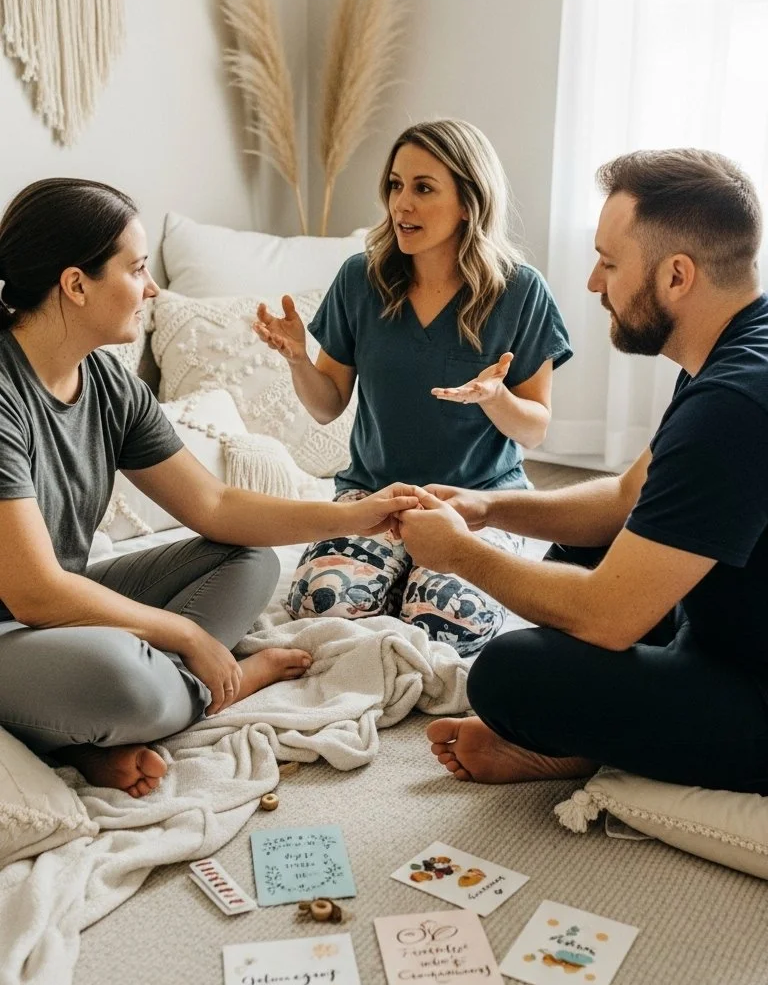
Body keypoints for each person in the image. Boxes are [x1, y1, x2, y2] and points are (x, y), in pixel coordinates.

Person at [0, 179, 419, 798]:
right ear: (75, 283)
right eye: (137, 269)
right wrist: (187, 635)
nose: (151, 288)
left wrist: (354, 518)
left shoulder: (110, 385)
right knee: (127, 682)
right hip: (21, 618)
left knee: (247, 558)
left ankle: (92, 729)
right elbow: (33, 592)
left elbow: (215, 506)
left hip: (62, 610)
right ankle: (207, 690)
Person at [392, 148, 768, 796]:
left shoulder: (734, 403)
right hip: (730, 622)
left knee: (508, 673)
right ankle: (597, 737)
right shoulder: (733, 350)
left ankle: (584, 746)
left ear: (677, 275)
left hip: (753, 689)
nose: (595, 283)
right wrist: (487, 507)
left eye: (610, 262)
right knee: (580, 548)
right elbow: (626, 498)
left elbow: (608, 619)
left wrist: (460, 554)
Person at [254, 119, 571, 655]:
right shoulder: (361, 277)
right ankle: (394, 574)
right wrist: (297, 360)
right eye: (396, 185)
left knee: (447, 623)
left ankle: (421, 580)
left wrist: (497, 399)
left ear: (469, 200)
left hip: (478, 500)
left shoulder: (520, 290)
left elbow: (535, 430)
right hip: (375, 496)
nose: (402, 204)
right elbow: (327, 405)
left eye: (424, 188)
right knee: (319, 604)